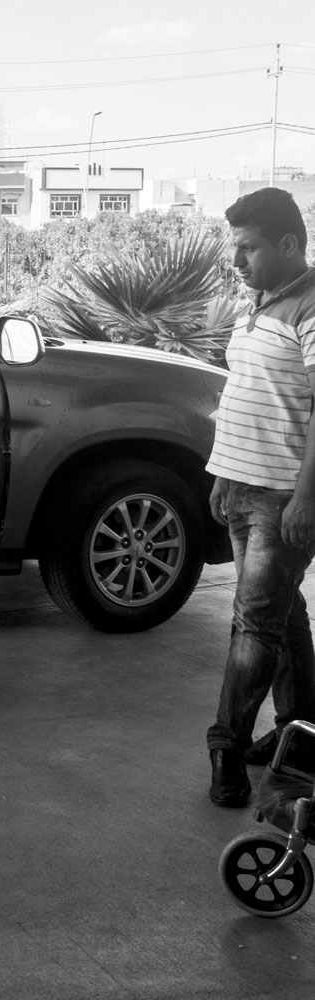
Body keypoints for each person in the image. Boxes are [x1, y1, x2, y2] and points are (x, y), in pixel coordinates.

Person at [203, 186, 315, 806]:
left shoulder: (311, 305)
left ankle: (225, 746)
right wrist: (223, 473)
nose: (237, 261)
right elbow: (247, 393)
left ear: (290, 245)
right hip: (244, 487)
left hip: (282, 494)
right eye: (234, 248)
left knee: (252, 622)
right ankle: (300, 734)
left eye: (248, 248)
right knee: (280, 614)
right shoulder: (259, 301)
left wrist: (306, 497)